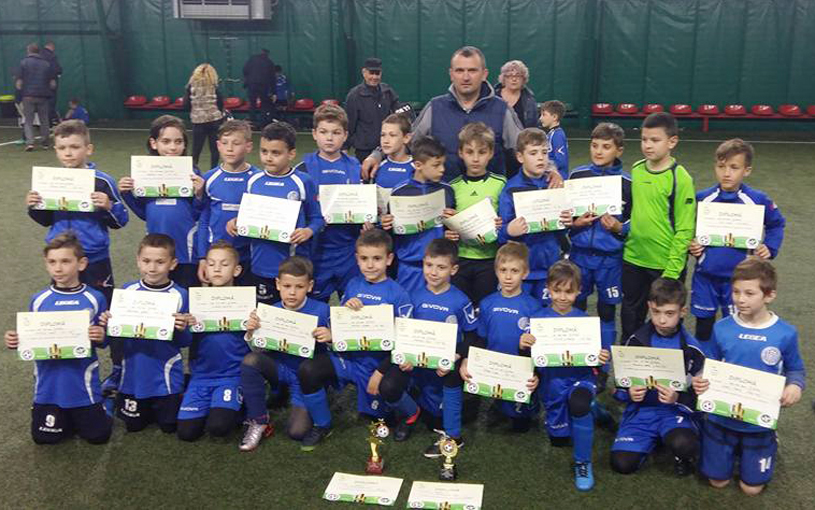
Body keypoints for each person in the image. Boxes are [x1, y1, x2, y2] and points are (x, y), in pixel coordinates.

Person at [693, 257, 804, 495]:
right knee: (717, 481)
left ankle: (766, 440)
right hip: (721, 418)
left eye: (749, 293)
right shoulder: (722, 327)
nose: (740, 299)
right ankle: (727, 448)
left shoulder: (785, 333)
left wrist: (794, 386)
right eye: (736, 292)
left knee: (751, 488)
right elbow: (709, 363)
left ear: (769, 295)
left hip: (758, 422)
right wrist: (700, 377)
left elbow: (795, 369)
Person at [296, 229, 413, 451]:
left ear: (389, 259)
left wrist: (380, 372)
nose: (370, 265)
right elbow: (342, 325)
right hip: (350, 360)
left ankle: (408, 413)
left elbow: (405, 340)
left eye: (377, 258)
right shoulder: (352, 286)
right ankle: (322, 424)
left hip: (380, 364)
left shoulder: (399, 294)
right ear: (357, 259)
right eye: (364, 258)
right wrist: (333, 332)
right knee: (308, 369)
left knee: (382, 417)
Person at [363, 46, 537, 184]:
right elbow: (407, 140)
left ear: (484, 74)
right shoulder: (435, 107)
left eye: (472, 70)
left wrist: (548, 169)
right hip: (443, 201)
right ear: (451, 74)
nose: (466, 77)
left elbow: (526, 147)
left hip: (488, 205)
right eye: (460, 70)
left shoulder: (501, 109)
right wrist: (377, 155)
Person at [3, 233, 111, 445]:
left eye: (65, 261)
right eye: (52, 262)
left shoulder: (95, 298)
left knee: (98, 437)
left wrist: (101, 335)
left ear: (81, 264)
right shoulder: (39, 300)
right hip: (48, 387)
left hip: (82, 384)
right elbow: (31, 337)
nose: (58, 268)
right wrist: (16, 340)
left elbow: (105, 341)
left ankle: (105, 402)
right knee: (44, 439)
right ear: (46, 264)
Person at [376, 239, 477, 453]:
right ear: (422, 264)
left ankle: (453, 436)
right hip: (416, 364)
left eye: (441, 267)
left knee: (450, 380)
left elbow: (471, 336)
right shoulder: (412, 297)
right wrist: (405, 357)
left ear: (453, 269)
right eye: (429, 265)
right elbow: (403, 333)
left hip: (444, 365)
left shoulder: (461, 301)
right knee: (388, 386)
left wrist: (457, 356)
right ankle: (411, 412)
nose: (433, 272)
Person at [520, 260, 611, 491]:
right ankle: (594, 409)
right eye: (557, 290)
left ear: (579, 291)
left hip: (581, 378)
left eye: (569, 291)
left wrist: (601, 357)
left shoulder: (586, 322)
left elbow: (598, 357)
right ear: (548, 289)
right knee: (559, 439)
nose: (562, 297)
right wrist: (523, 344)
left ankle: (583, 463)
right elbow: (530, 356)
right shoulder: (538, 320)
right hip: (553, 382)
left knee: (578, 404)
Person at [688, 139, 785, 351]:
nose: (726, 173)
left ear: (746, 170)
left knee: (736, 326)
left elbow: (777, 224)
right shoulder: (703, 198)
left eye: (734, 167)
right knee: (703, 326)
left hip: (740, 280)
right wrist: (691, 244)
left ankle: (732, 363)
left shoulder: (757, 200)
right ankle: (701, 364)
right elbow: (685, 227)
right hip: (705, 276)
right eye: (721, 166)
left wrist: (770, 247)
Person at [26, 120, 128, 306]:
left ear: (88, 149)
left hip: (95, 256)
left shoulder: (103, 182)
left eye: (74, 147)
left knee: (102, 305)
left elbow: (120, 221)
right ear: (56, 150)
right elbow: (45, 220)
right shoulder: (51, 181)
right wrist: (34, 206)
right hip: (62, 257)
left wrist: (109, 206)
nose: (68, 153)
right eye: (62, 148)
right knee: (65, 306)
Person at [610, 278, 705, 477]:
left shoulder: (693, 349)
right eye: (656, 312)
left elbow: (701, 397)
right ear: (649, 307)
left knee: (684, 444)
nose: (662, 320)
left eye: (669, 313)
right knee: (622, 464)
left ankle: (680, 452)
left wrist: (677, 398)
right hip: (642, 412)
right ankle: (652, 440)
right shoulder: (635, 341)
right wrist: (629, 393)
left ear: (683, 311)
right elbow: (621, 385)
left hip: (675, 412)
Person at [99, 234, 192, 434]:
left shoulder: (180, 294)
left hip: (165, 374)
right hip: (134, 374)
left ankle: (183, 386)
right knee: (134, 426)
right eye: (146, 261)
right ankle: (111, 398)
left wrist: (181, 328)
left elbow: (185, 341)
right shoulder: (127, 291)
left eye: (160, 262)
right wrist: (108, 323)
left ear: (173, 264)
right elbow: (113, 336)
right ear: (138, 261)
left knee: (169, 426)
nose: (152, 268)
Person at [225, 121, 323, 306]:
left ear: (291, 154)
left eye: (276, 153)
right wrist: (235, 222)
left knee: (291, 315)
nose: (268, 158)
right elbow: (247, 215)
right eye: (264, 151)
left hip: (293, 269)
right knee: (264, 315)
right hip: (260, 265)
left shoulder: (303, 182)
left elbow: (317, 218)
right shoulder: (254, 181)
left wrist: (308, 231)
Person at [239, 256, 331, 451]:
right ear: (278, 284)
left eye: (299, 287)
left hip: (305, 378)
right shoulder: (269, 312)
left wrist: (330, 337)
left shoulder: (322, 311)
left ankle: (314, 395)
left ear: (310, 286)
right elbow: (259, 350)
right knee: (250, 361)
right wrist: (251, 333)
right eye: (287, 286)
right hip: (279, 368)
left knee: (297, 432)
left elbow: (337, 352)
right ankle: (258, 420)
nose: (292, 292)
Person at [621, 112, 696, 341]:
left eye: (655, 140)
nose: (648, 145)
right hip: (634, 258)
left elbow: (685, 228)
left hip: (665, 264)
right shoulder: (637, 169)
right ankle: (629, 354)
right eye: (644, 139)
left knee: (667, 322)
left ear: (672, 142)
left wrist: (672, 271)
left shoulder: (680, 177)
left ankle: (668, 358)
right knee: (630, 315)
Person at [560, 122, 631, 354]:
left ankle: (604, 359)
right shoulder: (577, 175)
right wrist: (575, 224)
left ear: (619, 150)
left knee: (607, 310)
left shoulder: (627, 184)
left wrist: (619, 227)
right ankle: (578, 354)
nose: (598, 151)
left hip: (610, 260)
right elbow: (564, 215)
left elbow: (636, 221)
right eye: (594, 145)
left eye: (606, 147)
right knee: (576, 304)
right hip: (579, 256)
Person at [460, 242, 542, 432]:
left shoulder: (534, 307)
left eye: (515, 271)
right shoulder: (487, 303)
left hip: (521, 374)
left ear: (525, 273)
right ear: (496, 271)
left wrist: (537, 374)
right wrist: (468, 360)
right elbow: (481, 339)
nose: (508, 276)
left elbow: (539, 349)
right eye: (503, 270)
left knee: (521, 427)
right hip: (494, 371)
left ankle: (522, 408)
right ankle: (498, 405)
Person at [177, 241, 252, 442]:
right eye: (211, 264)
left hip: (232, 376)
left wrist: (253, 330)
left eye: (224, 264)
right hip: (201, 376)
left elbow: (257, 348)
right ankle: (192, 389)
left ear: (236, 270)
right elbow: (184, 343)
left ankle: (243, 401)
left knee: (219, 427)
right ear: (205, 268)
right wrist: (184, 327)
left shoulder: (247, 302)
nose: (217, 269)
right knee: (186, 433)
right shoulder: (194, 301)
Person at [119, 115, 204, 289]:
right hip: (156, 254)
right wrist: (127, 194)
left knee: (186, 296)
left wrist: (199, 195)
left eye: (178, 141)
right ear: (154, 143)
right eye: (166, 141)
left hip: (186, 252)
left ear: (184, 144)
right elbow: (144, 214)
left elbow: (197, 214)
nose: (173, 147)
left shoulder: (192, 173)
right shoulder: (145, 174)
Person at [294, 104, 364, 302]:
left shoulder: (356, 167)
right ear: (314, 134)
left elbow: (363, 203)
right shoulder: (302, 169)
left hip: (347, 250)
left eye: (336, 132)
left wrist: (367, 219)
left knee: (353, 306)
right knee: (314, 308)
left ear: (345, 135)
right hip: (315, 251)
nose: (329, 138)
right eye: (324, 132)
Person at [381, 136, 456, 294]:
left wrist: (452, 229)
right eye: (436, 165)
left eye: (443, 164)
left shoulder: (447, 190)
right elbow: (390, 233)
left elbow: (451, 229)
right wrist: (386, 225)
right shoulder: (399, 192)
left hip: (438, 267)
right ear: (418, 165)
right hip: (409, 267)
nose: (442, 169)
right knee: (407, 308)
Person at [498, 128, 562, 304]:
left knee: (545, 314)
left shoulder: (554, 185)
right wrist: (509, 231)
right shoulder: (511, 189)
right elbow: (500, 233)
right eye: (533, 153)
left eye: (544, 152)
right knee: (519, 312)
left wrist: (566, 222)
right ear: (520, 157)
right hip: (521, 270)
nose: (540, 158)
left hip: (549, 267)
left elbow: (562, 231)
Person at [447, 122, 506, 306]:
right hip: (460, 259)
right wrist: (448, 233)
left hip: (489, 260)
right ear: (460, 153)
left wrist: (501, 224)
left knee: (484, 307)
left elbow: (507, 220)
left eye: (481, 152)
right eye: (469, 152)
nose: (475, 158)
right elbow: (447, 225)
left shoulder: (500, 184)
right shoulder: (453, 187)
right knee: (460, 306)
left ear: (491, 153)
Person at [196, 120, 260, 285]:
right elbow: (203, 219)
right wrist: (202, 257)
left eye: (236, 143)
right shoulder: (209, 178)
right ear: (218, 145)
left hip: (249, 256)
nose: (229, 148)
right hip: (217, 257)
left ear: (248, 146)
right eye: (225, 143)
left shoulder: (258, 179)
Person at [344, 57, 401, 164]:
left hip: (387, 148)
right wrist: (344, 148)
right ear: (364, 73)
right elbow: (349, 124)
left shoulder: (388, 92)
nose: (374, 77)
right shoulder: (354, 96)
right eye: (371, 73)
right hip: (364, 151)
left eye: (377, 73)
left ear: (381, 73)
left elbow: (399, 114)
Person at [185, 63, 225, 171]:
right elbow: (220, 103)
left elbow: (186, 105)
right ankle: (213, 170)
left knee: (196, 149)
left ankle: (192, 171)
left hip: (198, 121)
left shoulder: (191, 87)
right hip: (214, 120)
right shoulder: (214, 86)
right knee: (215, 149)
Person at [16, 43, 56, 151]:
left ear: (28, 51)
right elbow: (52, 83)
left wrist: (20, 92)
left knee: (28, 120)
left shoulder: (24, 62)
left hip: (28, 95)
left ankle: (30, 143)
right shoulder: (46, 64)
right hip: (43, 95)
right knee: (44, 120)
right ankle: (45, 143)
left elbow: (19, 82)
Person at [242, 49, 276, 128]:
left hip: (251, 84)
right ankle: (263, 122)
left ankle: (252, 121)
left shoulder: (252, 60)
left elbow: (245, 70)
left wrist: (248, 79)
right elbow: (272, 78)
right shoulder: (269, 62)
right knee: (264, 104)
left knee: (252, 103)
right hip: (263, 85)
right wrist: (273, 91)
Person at [540, 100, 569, 180]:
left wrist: (542, 165)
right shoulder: (551, 133)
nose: (540, 118)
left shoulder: (558, 135)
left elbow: (561, 161)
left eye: (544, 115)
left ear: (554, 117)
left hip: (558, 179)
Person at [41, 41, 62, 126]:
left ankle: (43, 122)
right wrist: (53, 78)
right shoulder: (51, 56)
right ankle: (49, 121)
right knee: (51, 102)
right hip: (50, 83)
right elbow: (55, 68)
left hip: (40, 84)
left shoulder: (39, 55)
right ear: (52, 46)